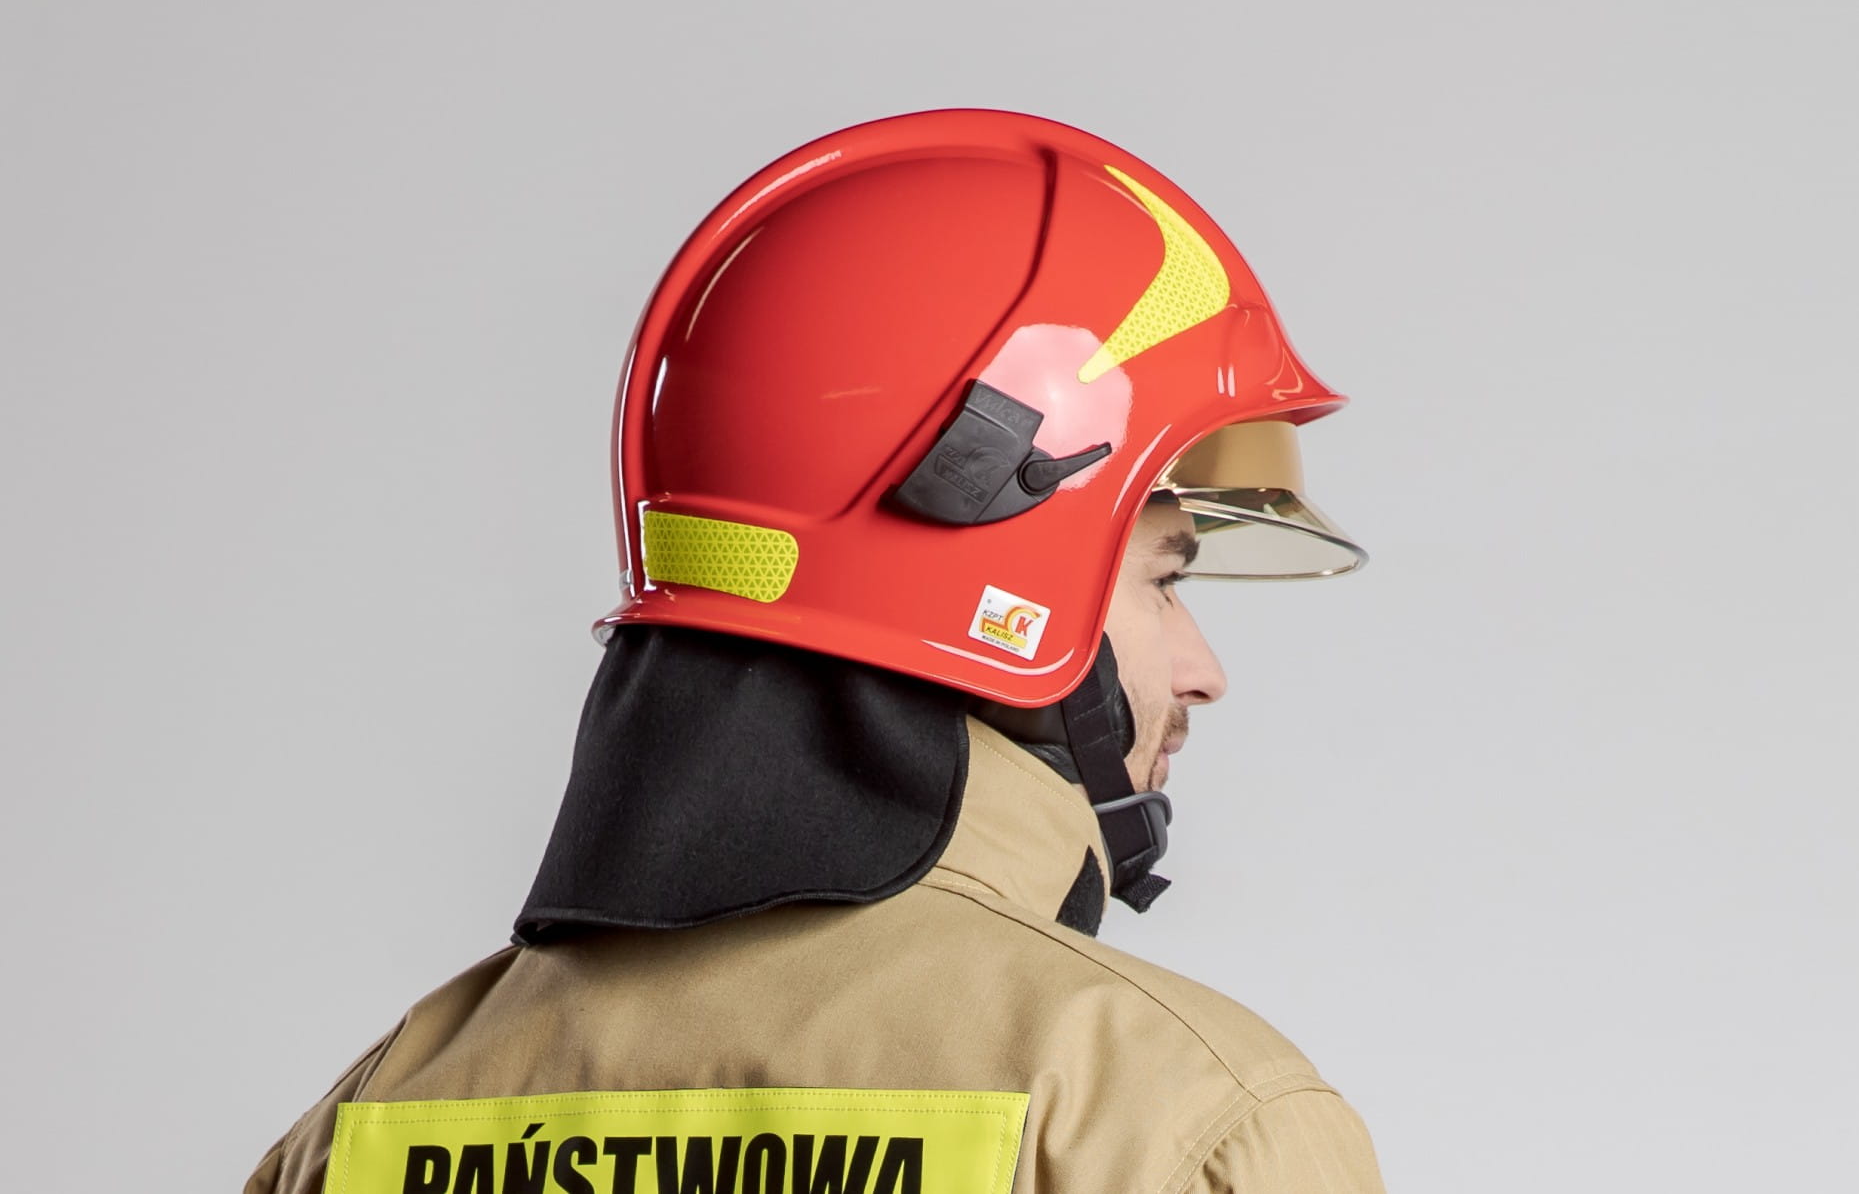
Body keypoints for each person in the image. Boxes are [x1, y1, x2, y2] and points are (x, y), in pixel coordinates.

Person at [247, 109, 1386, 1194]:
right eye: (1165, 580)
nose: (1202, 671)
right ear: (1001, 578)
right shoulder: (1185, 1118)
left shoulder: (366, 1120)